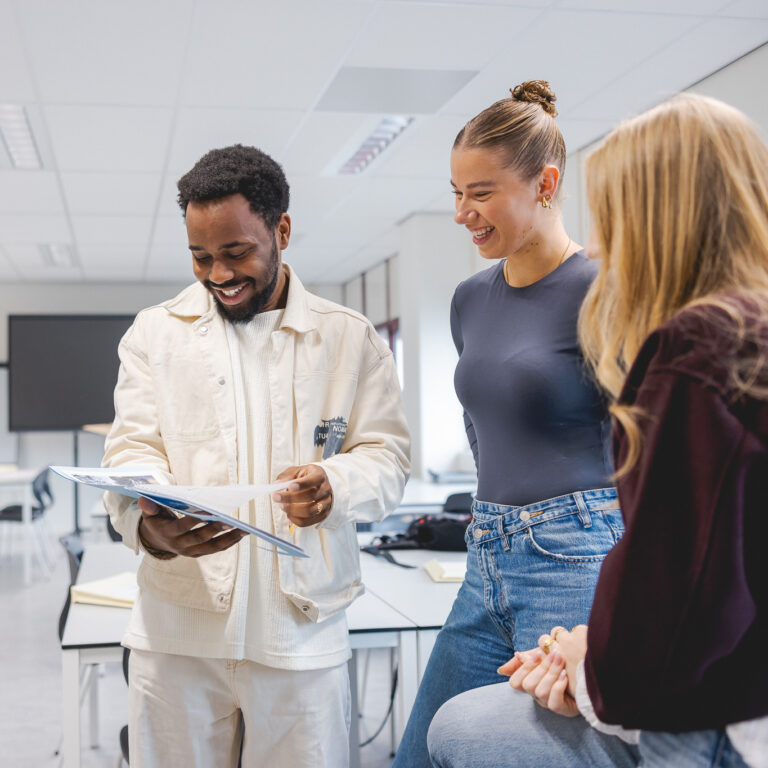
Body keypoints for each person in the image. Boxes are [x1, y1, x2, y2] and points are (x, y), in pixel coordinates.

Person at [428, 94, 768, 768]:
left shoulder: (695, 350)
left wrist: (593, 668)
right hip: (499, 550)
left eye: (613, 217)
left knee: (457, 733)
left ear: (663, 219)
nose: (603, 245)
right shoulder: (740, 335)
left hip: (705, 701)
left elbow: (688, 576)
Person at [102, 144, 410, 768]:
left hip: (301, 633)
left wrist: (335, 483)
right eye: (200, 256)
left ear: (282, 231)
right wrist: (150, 524)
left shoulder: (347, 338)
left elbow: (387, 457)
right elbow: (131, 449)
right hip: (177, 633)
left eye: (236, 252)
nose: (218, 273)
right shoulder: (155, 333)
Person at [393, 81, 635, 768]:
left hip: (574, 556)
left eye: (481, 193)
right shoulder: (470, 299)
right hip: (486, 555)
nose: (462, 213)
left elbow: (647, 441)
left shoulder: (604, 288)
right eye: (456, 193)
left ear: (545, 185)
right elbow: (482, 424)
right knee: (422, 753)